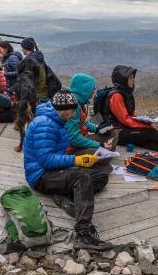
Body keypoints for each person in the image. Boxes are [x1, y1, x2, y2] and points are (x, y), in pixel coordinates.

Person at [23, 89, 112, 250]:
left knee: (100, 176)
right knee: (82, 178)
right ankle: (83, 233)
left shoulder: (56, 121)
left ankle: (67, 197)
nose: (73, 115)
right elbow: (46, 160)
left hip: (54, 171)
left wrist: (76, 164)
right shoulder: (45, 124)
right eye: (72, 111)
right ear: (64, 110)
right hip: (40, 176)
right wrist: (77, 160)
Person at [66, 73, 118, 155]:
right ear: (84, 90)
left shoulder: (80, 103)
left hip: (82, 138)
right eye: (92, 89)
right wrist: (99, 145)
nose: (94, 92)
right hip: (72, 148)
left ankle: (107, 152)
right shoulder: (73, 107)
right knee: (99, 154)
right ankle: (106, 153)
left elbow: (83, 122)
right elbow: (73, 138)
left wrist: (97, 129)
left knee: (111, 131)